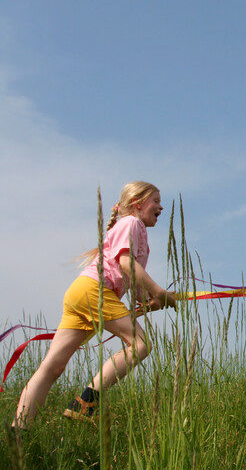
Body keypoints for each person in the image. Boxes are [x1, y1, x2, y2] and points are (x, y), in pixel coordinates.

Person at [11, 181, 176, 429]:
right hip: (95, 291)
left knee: (52, 367)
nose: (161, 207)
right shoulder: (132, 223)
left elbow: (135, 283)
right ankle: (85, 403)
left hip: (82, 293)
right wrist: (159, 291)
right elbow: (126, 263)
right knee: (140, 345)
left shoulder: (136, 232)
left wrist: (152, 300)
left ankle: (18, 431)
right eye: (155, 201)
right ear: (137, 203)